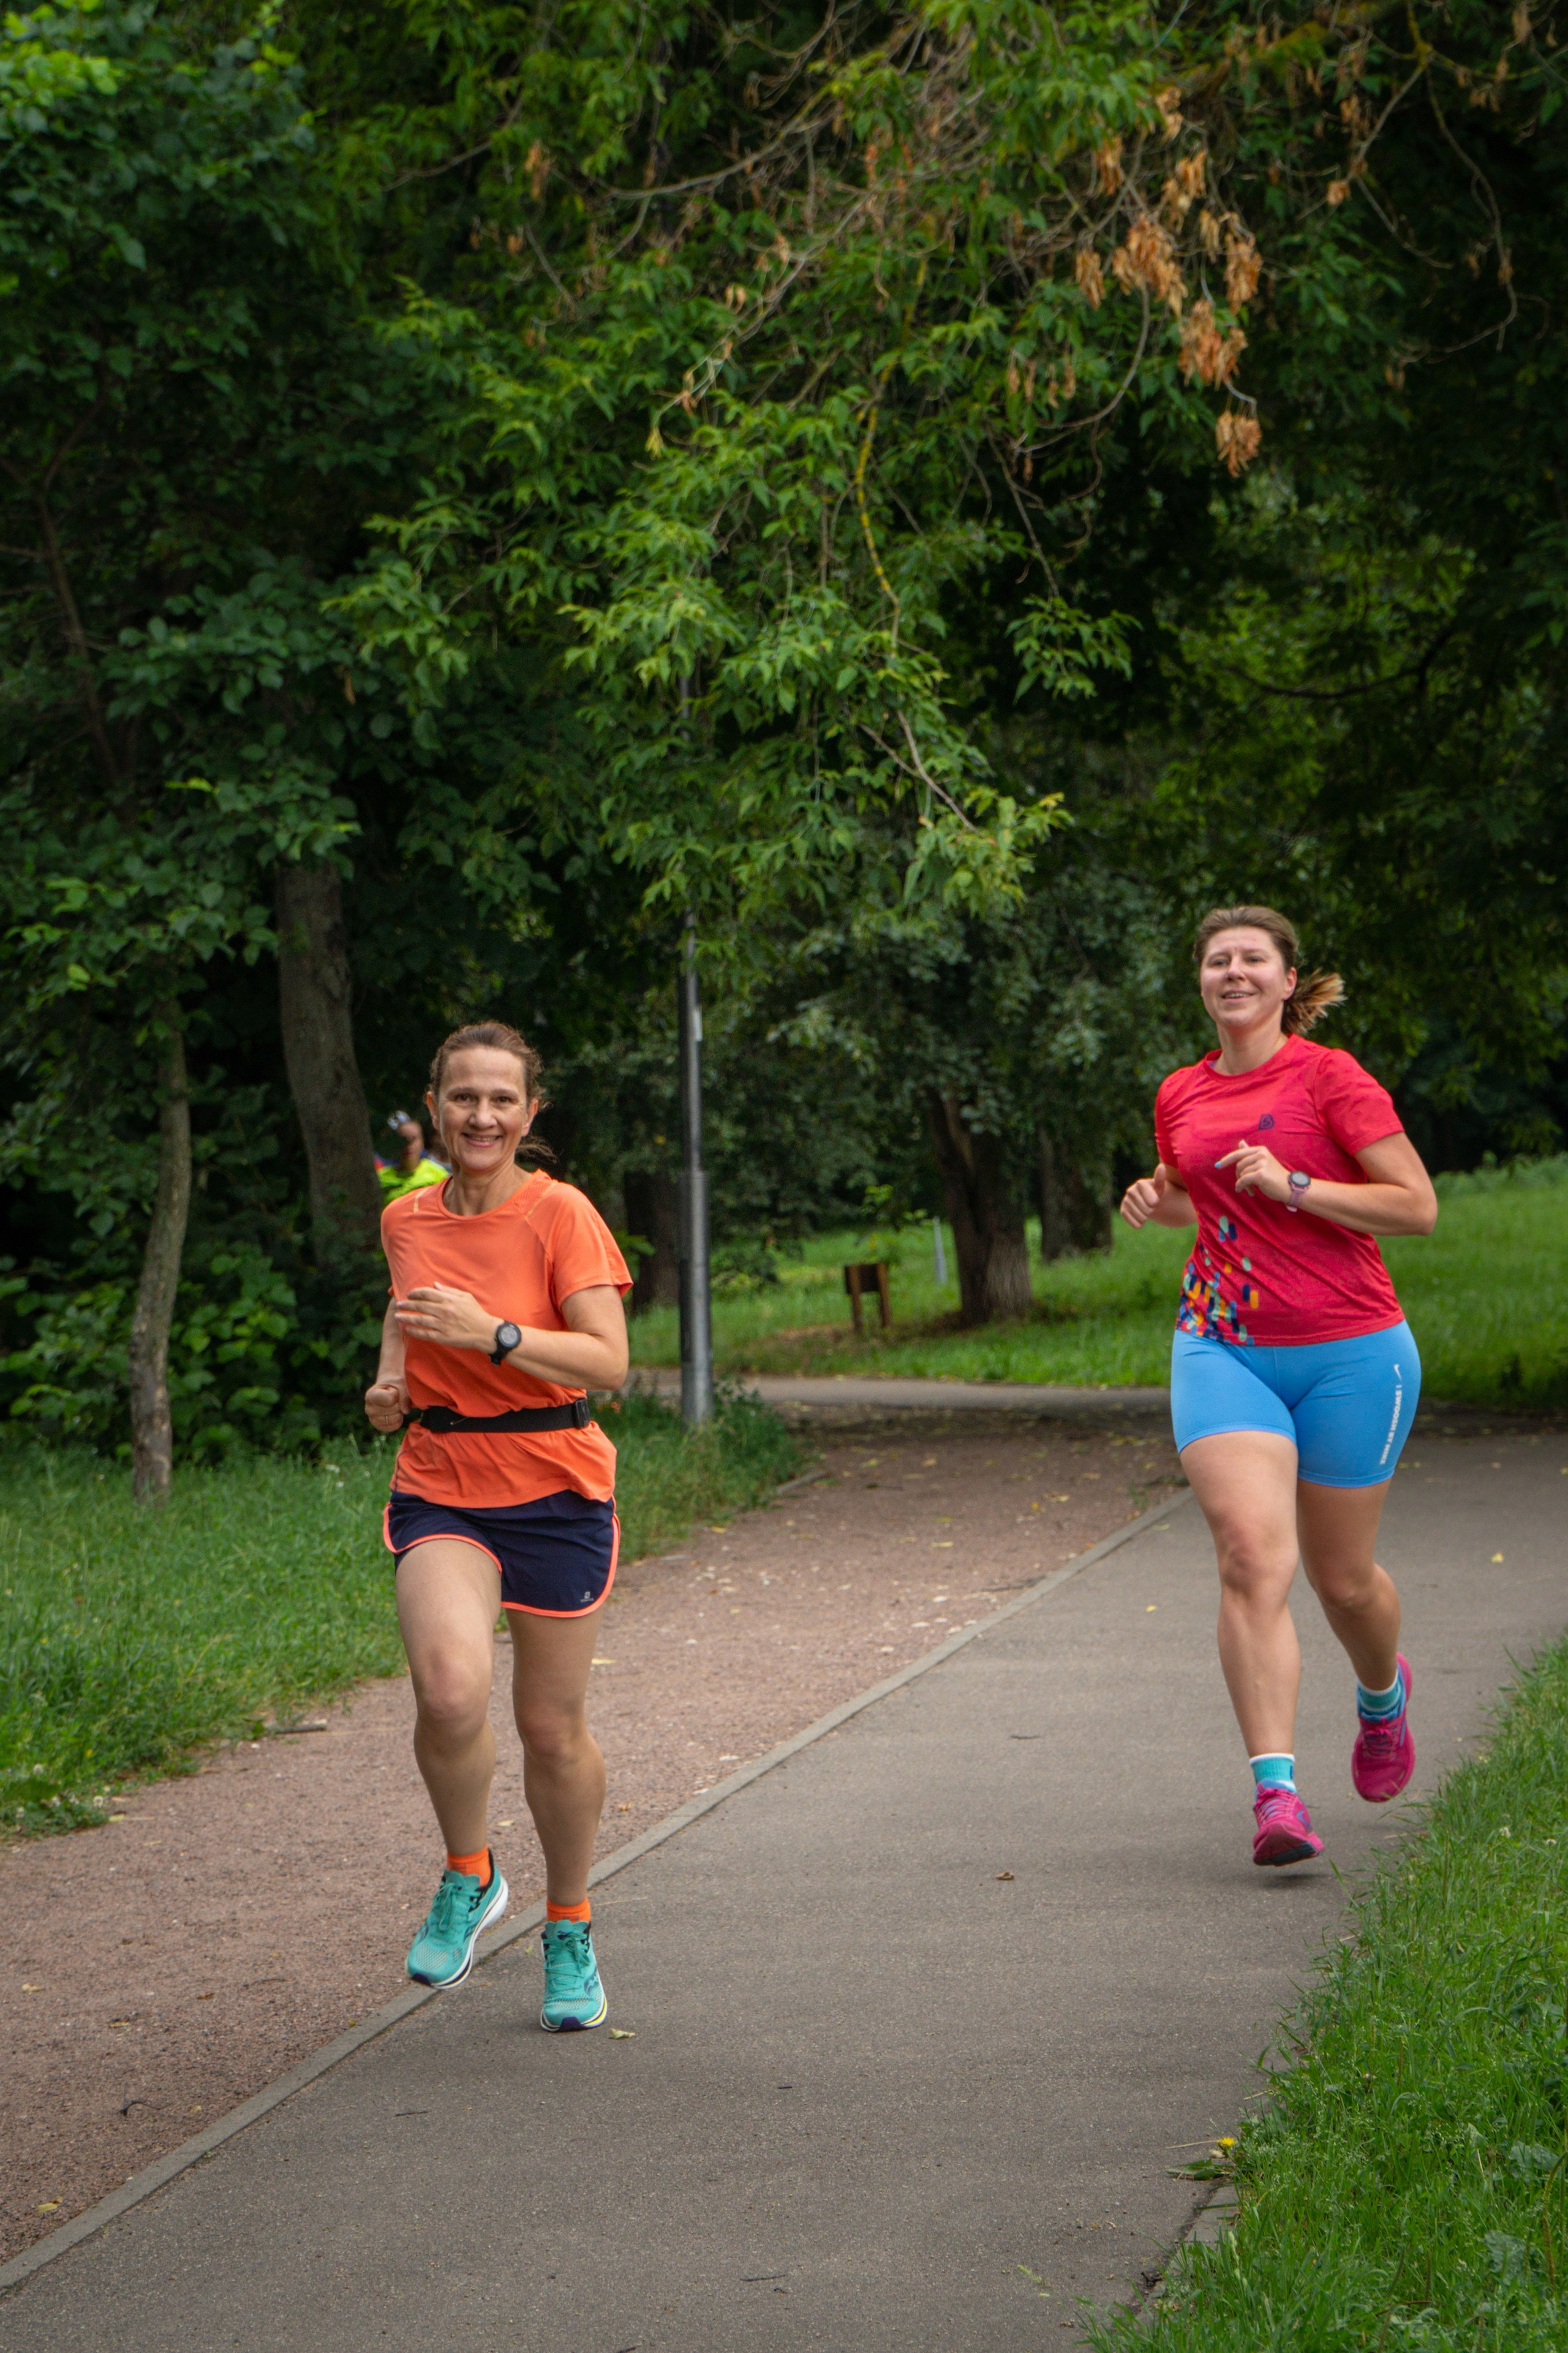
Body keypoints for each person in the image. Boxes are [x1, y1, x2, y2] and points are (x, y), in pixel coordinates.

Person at [1120, 906, 1438, 1867]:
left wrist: (1297, 1184)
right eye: (1218, 960)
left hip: (1352, 1349)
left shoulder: (1331, 1078)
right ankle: (1278, 1795)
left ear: (1288, 980)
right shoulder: (1181, 1091)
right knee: (1253, 1557)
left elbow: (1416, 1207)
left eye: (1253, 958)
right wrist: (1157, 1195)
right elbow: (1199, 1191)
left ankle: (1383, 1697)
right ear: (1201, 981)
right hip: (1224, 1345)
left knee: (1344, 1582)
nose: (1234, 972)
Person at [363, 1022, 631, 2025]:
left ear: (530, 1113)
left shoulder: (559, 1213)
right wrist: (392, 1378)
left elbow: (608, 1361)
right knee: (446, 1688)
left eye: (501, 1100)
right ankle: (470, 1872)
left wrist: (497, 1336)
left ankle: (569, 1923)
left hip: (555, 1482)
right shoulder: (405, 1218)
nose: (481, 1115)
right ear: (434, 1106)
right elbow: (407, 1303)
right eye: (463, 1097)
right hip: (440, 1475)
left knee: (550, 1730)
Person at [377, 1110, 447, 1203]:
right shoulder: (380, 1179)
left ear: (422, 1142)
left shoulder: (439, 1176)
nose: (409, 1145)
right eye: (403, 1139)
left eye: (413, 1139)